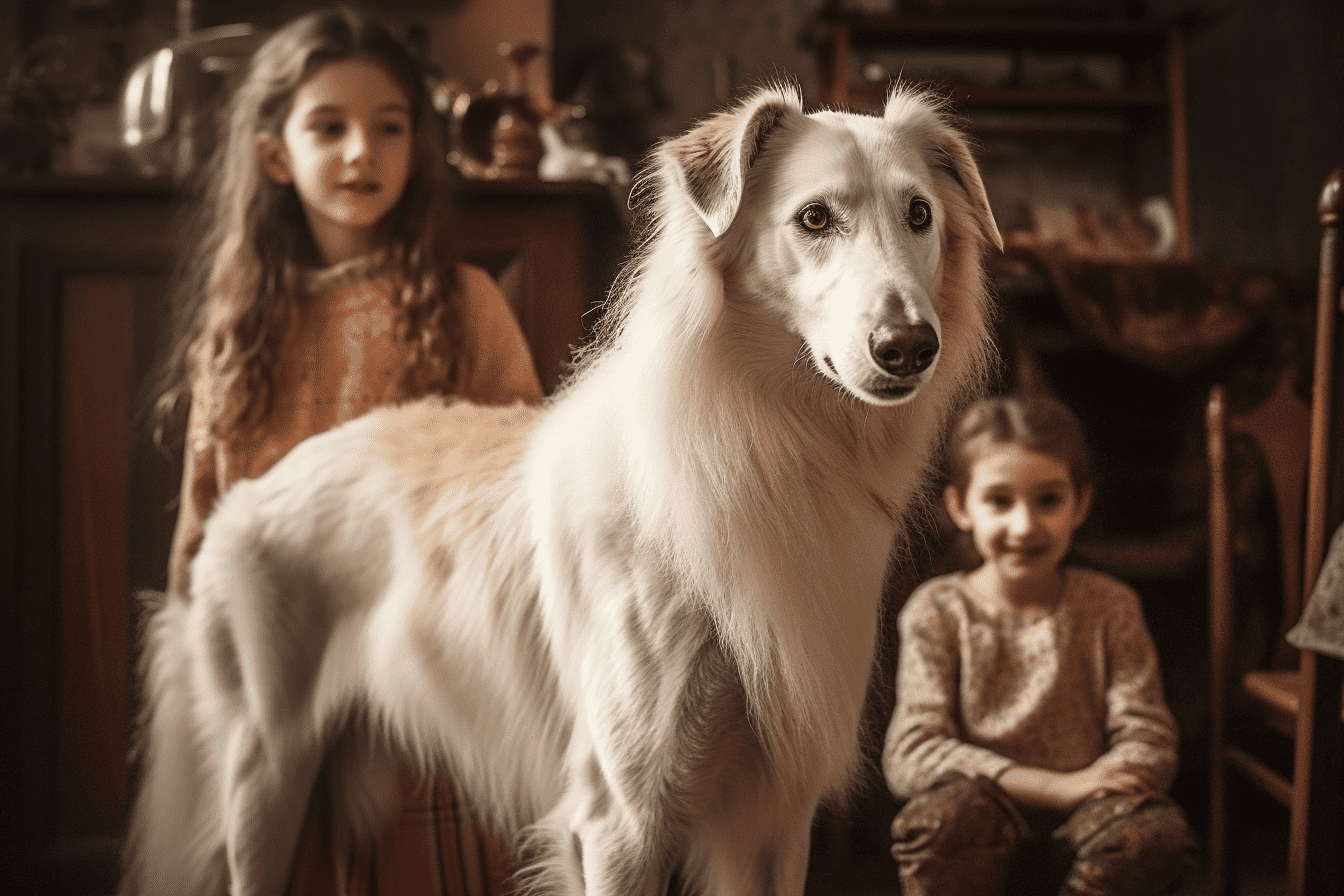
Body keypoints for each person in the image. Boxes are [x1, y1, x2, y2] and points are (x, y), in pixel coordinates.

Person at [150, 7, 539, 894]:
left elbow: (522, 483)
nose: (361, 151)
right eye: (329, 127)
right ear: (275, 154)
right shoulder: (241, 329)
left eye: (388, 127)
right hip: (277, 649)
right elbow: (204, 512)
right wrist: (192, 668)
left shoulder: (466, 303)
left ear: (418, 148)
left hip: (422, 664)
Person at [882, 393, 1197, 896]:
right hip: (981, 825)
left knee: (1153, 836)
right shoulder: (937, 610)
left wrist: (1101, 781)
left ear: (1080, 504)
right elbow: (912, 752)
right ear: (960, 507)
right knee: (943, 820)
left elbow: (1150, 735)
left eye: (1048, 500)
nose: (1024, 525)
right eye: (999, 501)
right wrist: (1052, 787)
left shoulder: (1110, 606)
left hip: (1091, 825)